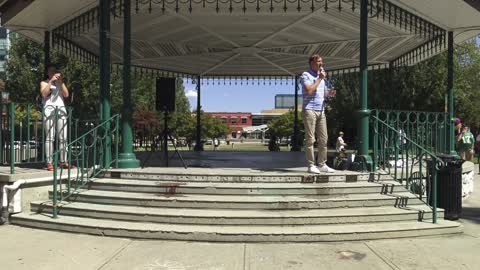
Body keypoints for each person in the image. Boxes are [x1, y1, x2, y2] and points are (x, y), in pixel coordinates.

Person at [301, 54, 336, 174]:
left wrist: (330, 92)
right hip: (309, 109)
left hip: (321, 111)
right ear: (311, 63)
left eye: (321, 61)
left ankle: (322, 164)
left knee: (323, 139)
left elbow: (323, 93)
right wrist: (320, 78)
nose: (321, 64)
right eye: (318, 62)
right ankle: (311, 165)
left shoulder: (321, 77)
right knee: (310, 139)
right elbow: (309, 90)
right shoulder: (306, 75)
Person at [40, 64, 70, 171]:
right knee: (50, 137)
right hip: (49, 110)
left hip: (61, 109)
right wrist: (51, 82)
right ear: (48, 73)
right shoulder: (44, 82)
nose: (54, 73)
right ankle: (49, 162)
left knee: (63, 137)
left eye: (55, 71)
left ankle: (63, 161)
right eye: (51, 71)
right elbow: (44, 94)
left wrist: (60, 82)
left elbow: (66, 94)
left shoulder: (60, 83)